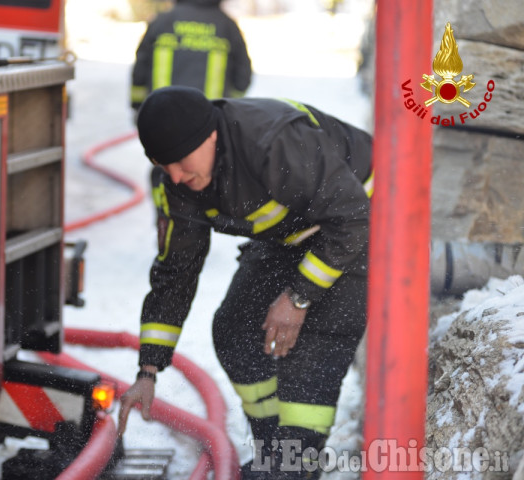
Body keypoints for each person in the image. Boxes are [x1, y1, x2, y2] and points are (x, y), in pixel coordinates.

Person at [117, 86, 373, 479]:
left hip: (362, 226)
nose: (176, 177)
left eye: (182, 163)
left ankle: (294, 465)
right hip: (296, 233)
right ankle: (273, 454)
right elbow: (177, 270)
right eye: (162, 165)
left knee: (311, 355)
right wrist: (148, 370)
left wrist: (298, 297)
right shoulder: (179, 178)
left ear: (211, 137)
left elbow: (353, 217)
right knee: (236, 331)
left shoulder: (271, 141)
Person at [130, 0, 252, 111]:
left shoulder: (162, 21)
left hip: (163, 115)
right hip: (210, 121)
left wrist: (139, 107)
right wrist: (229, 105)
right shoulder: (227, 26)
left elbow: (140, 68)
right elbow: (243, 74)